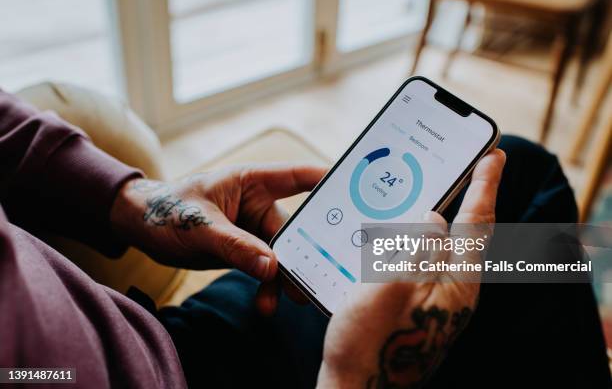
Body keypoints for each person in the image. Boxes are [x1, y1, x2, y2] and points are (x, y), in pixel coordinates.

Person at [0, 89, 609, 389]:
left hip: (156, 337)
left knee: (513, 178)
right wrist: (354, 374)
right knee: (527, 208)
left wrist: (136, 202)